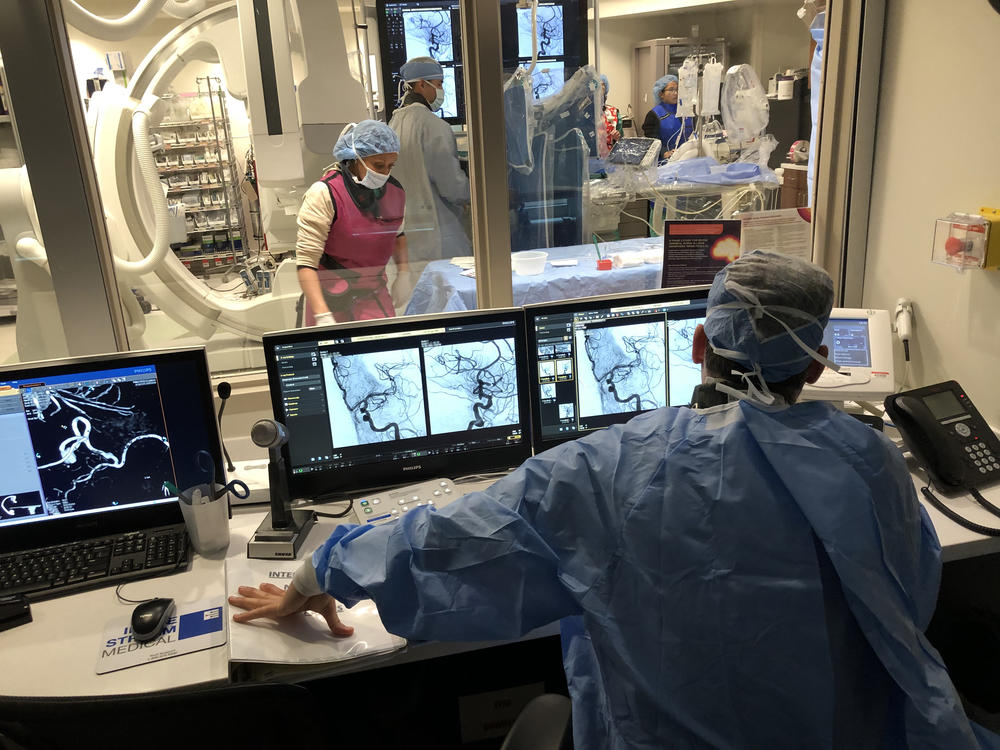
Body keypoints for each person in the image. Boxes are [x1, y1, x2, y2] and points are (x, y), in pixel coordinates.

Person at [231, 252, 992, 748]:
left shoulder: (605, 469)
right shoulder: (871, 463)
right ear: (820, 364)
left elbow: (447, 540)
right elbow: (910, 594)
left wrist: (314, 574)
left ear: (699, 345)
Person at [294, 120, 409, 326]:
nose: (384, 173)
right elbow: (306, 262)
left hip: (373, 293)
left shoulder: (396, 193)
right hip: (329, 296)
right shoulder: (325, 194)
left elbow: (398, 236)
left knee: (385, 353)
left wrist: (404, 274)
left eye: (390, 166)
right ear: (355, 158)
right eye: (378, 165)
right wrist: (322, 314)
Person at [388, 56, 470, 277]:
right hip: (439, 232)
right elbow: (452, 186)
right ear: (422, 84)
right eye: (439, 84)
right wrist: (475, 194)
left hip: (407, 233)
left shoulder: (392, 124)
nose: (440, 91)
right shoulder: (434, 126)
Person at [642, 74, 694, 161]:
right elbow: (651, 142)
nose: (676, 93)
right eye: (671, 90)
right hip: (665, 163)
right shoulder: (655, 115)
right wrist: (664, 152)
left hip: (688, 158)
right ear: (661, 94)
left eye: (677, 89)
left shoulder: (686, 112)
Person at [599, 73, 622, 154]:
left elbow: (621, 140)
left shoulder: (614, 112)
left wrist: (617, 137)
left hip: (610, 157)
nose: (601, 87)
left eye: (602, 84)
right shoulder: (584, 114)